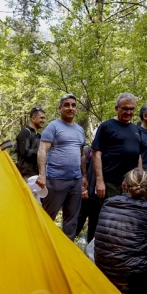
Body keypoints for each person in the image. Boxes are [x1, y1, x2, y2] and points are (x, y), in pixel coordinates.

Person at [37, 94, 88, 240]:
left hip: (75, 180)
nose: (70, 108)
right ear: (60, 108)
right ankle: (40, 247)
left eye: (73, 105)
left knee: (71, 221)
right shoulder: (53, 127)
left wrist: (84, 176)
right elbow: (42, 150)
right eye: (66, 105)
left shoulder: (79, 130)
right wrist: (42, 174)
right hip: (55, 179)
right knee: (47, 217)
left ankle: (66, 256)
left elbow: (82, 154)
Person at [92, 93, 144, 200]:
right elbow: (97, 154)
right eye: (125, 108)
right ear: (116, 108)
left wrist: (140, 179)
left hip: (131, 183)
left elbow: (138, 155)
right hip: (111, 182)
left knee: (129, 214)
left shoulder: (136, 129)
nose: (128, 112)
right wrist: (99, 181)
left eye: (132, 109)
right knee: (112, 213)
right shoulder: (106, 126)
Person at [15, 106, 46, 179]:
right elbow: (25, 153)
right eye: (41, 118)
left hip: (36, 174)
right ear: (33, 118)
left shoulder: (38, 136)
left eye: (44, 118)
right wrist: (41, 151)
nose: (43, 120)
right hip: (26, 174)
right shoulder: (25, 133)